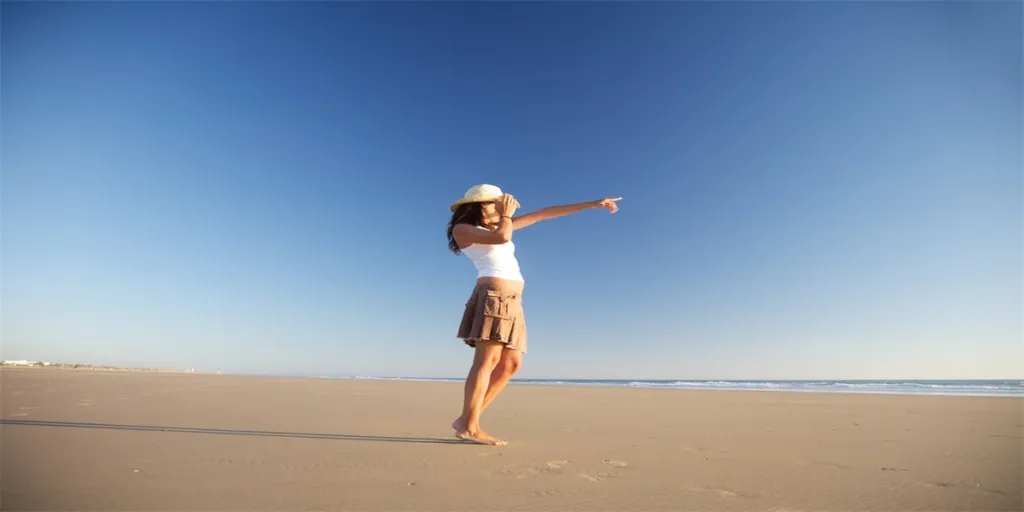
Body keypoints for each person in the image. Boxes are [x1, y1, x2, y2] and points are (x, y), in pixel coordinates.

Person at [446, 184, 621, 445]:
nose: (504, 206)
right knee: (486, 362)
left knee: (511, 364)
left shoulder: (499, 226)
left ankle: (466, 419)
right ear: (480, 205)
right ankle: (470, 427)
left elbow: (544, 213)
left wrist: (593, 203)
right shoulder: (464, 230)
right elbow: (503, 238)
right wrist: (506, 217)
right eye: (497, 202)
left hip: (513, 300)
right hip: (494, 295)